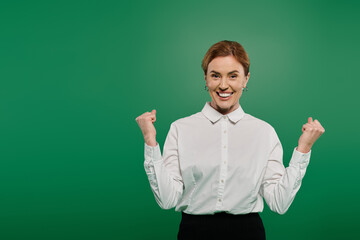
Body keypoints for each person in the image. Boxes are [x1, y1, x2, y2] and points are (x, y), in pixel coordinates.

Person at [135, 40, 325, 240]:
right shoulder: (180, 129)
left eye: (233, 76)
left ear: (246, 79)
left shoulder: (264, 132)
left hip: (248, 233)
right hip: (194, 232)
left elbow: (279, 203)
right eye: (215, 75)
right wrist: (150, 141)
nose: (223, 85)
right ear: (206, 79)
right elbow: (167, 200)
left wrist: (303, 149)